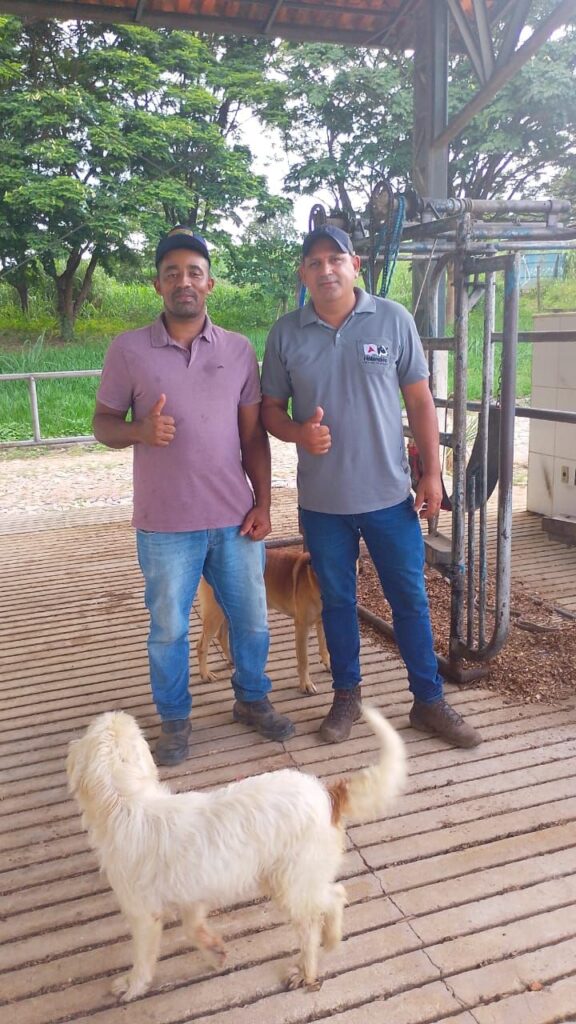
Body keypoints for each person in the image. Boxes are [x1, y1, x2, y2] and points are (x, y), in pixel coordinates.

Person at [261, 225, 482, 749]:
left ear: (355, 265)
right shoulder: (285, 333)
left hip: (389, 497)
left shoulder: (393, 318)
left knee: (410, 600)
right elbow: (269, 411)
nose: (326, 270)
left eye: (335, 259)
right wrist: (298, 433)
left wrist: (432, 473)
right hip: (323, 503)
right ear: (303, 274)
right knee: (337, 601)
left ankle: (428, 700)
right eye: (314, 263)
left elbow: (420, 401)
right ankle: (347, 696)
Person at [93, 226, 295, 765]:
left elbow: (252, 436)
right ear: (157, 284)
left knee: (252, 619)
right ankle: (175, 719)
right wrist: (138, 430)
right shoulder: (129, 349)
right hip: (164, 524)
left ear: (209, 284)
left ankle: (251, 698)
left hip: (234, 518)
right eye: (172, 273)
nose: (184, 281)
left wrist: (263, 503)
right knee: (169, 628)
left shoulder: (238, 349)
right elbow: (102, 423)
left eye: (194, 272)